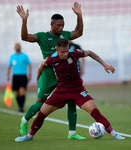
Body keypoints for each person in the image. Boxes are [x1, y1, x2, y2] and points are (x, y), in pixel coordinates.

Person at [15, 39, 125, 142]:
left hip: (78, 90)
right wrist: (38, 77)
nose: (66, 54)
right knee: (42, 112)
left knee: (93, 109)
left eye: (67, 51)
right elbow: (42, 65)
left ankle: (114, 134)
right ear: (57, 50)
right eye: (63, 52)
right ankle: (30, 136)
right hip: (61, 91)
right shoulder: (52, 58)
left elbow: (90, 53)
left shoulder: (74, 53)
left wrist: (104, 64)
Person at [16, 1, 85, 139]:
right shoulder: (42, 36)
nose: (61, 27)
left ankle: (72, 133)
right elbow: (24, 37)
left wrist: (79, 16)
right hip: (48, 76)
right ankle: (24, 120)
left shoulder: (64, 34)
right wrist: (24, 20)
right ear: (51, 25)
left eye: (63, 25)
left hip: (64, 76)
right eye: (59, 25)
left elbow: (79, 32)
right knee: (39, 105)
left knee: (72, 101)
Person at [7, 42, 32, 112]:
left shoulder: (24, 56)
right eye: (16, 46)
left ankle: (21, 107)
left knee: (22, 91)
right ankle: (19, 106)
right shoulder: (12, 57)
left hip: (23, 76)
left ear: (20, 47)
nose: (17, 47)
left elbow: (29, 64)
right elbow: (9, 66)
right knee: (17, 92)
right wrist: (8, 74)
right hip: (15, 76)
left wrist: (29, 74)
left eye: (18, 46)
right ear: (14, 47)